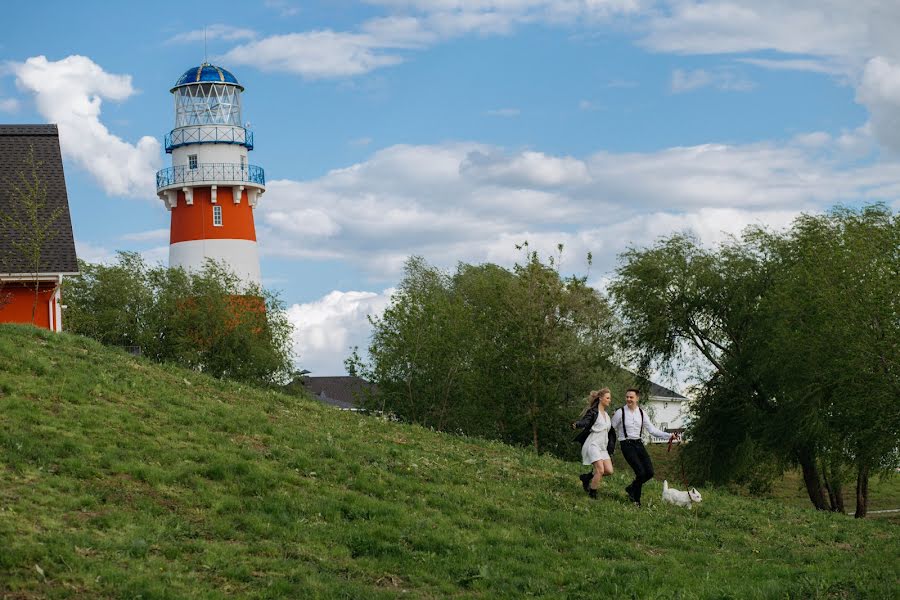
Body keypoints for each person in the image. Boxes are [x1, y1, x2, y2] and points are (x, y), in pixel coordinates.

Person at [610, 387, 674, 506]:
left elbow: (652, 430)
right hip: (626, 444)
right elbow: (609, 427)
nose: (628, 399)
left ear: (637, 398)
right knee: (640, 473)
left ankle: (631, 488)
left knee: (649, 472)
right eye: (627, 397)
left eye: (631, 397)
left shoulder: (641, 413)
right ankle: (636, 500)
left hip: (638, 443)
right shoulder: (620, 412)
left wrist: (669, 436)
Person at [571, 388, 614, 499]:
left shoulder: (607, 415)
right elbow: (585, 421)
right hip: (593, 444)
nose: (610, 400)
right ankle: (592, 494)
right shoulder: (593, 412)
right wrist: (577, 424)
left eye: (610, 398)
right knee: (600, 470)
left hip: (602, 447)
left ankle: (586, 477)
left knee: (609, 471)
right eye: (608, 398)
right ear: (600, 398)